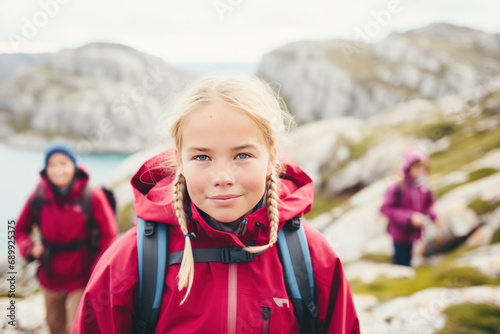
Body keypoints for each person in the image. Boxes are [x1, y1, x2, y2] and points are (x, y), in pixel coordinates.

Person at [71, 75, 360, 333]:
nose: (222, 178)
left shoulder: (308, 255)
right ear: (179, 160)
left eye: (242, 155)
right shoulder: (134, 258)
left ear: (272, 156)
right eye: (202, 157)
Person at [15, 142, 119, 334]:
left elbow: (109, 235)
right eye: (52, 165)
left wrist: (98, 270)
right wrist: (29, 248)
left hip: (81, 276)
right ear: (46, 169)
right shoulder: (39, 195)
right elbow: (20, 230)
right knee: (54, 325)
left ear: (74, 165)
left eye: (64, 163)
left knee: (77, 327)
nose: (58, 170)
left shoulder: (91, 194)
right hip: (49, 276)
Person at [380, 147, 440, 266]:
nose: (420, 171)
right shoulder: (397, 185)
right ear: (408, 167)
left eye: (422, 167)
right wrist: (410, 217)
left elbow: (429, 204)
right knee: (401, 263)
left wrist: (434, 217)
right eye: (416, 167)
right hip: (399, 233)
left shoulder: (423, 185)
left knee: (413, 261)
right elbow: (386, 209)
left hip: (416, 233)